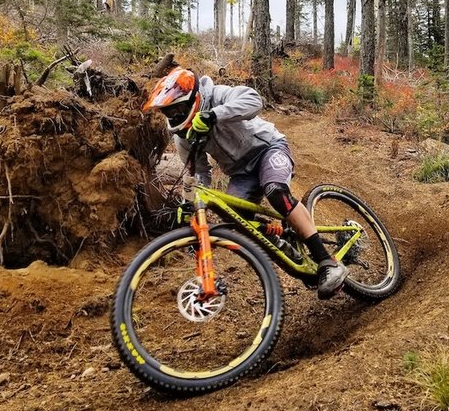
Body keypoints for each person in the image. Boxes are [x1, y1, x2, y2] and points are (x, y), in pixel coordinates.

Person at [143, 66, 349, 299]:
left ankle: (326, 262)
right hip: (241, 174)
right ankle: (292, 254)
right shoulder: (184, 137)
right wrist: (188, 202)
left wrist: (215, 115)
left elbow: (254, 100)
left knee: (275, 191)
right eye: (169, 111)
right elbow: (198, 173)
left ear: (192, 98)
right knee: (237, 221)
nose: (174, 115)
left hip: (269, 149)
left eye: (177, 108)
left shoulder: (216, 95)